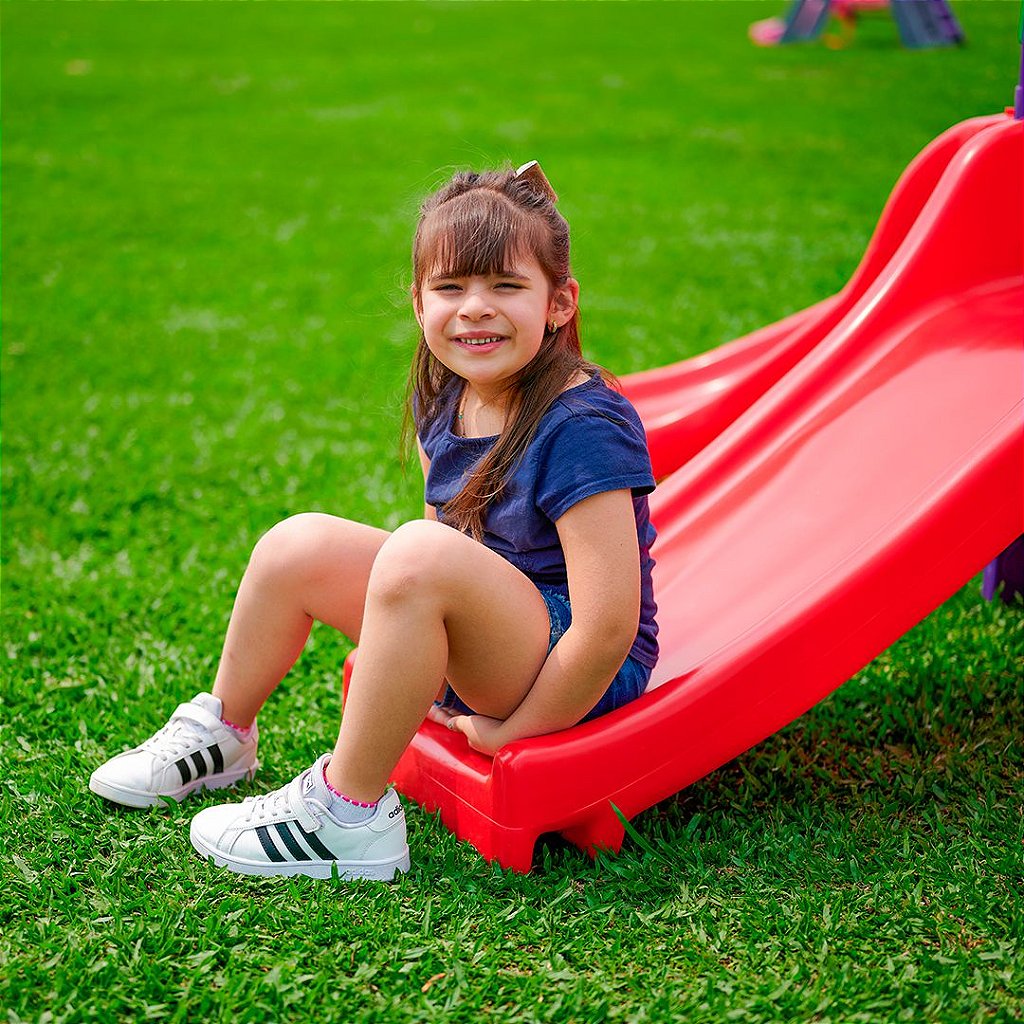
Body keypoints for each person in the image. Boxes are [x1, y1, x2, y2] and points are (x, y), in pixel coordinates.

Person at [89, 161, 659, 880]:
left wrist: (513, 733)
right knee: (296, 545)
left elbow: (608, 627)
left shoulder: (582, 422)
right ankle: (225, 733)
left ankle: (347, 814)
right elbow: (451, 548)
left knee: (420, 552)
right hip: (498, 637)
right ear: (418, 300)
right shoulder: (447, 397)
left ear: (559, 303)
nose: (474, 308)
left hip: (575, 664)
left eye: (506, 286)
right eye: (451, 287)